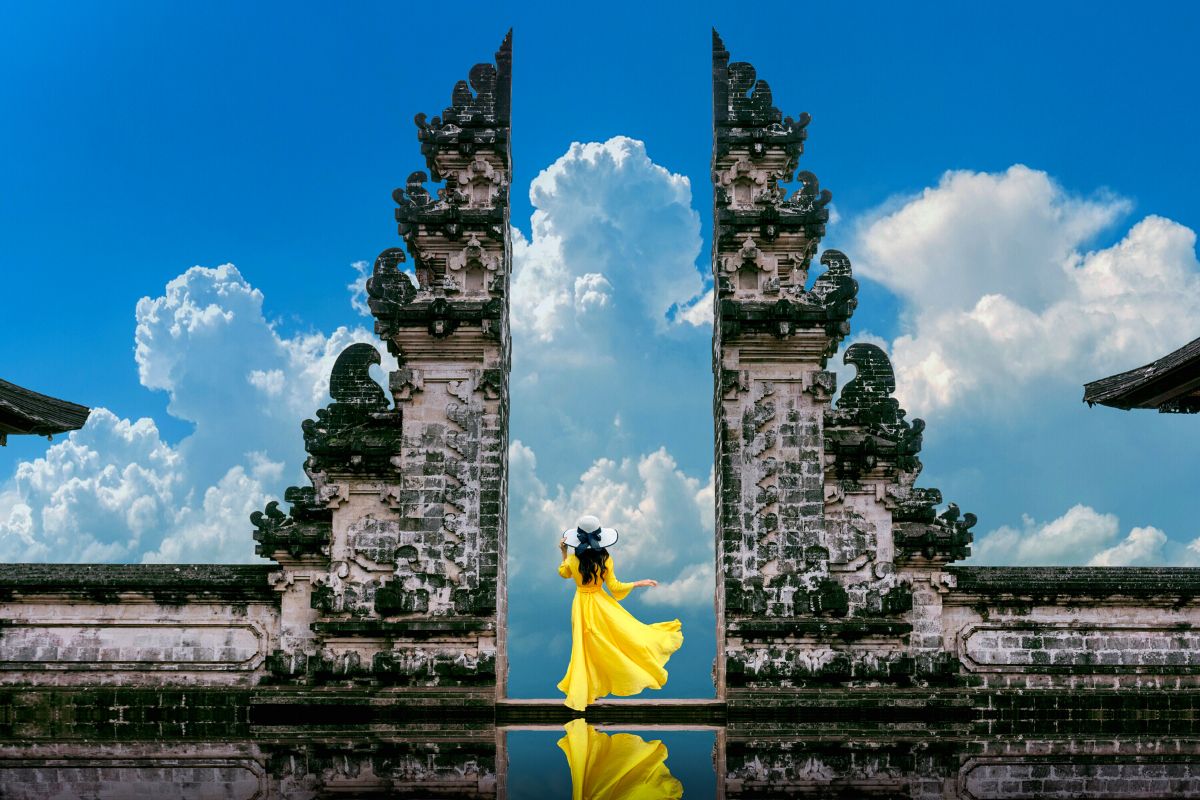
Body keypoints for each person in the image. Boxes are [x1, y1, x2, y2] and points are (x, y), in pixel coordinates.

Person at [556, 514, 683, 711]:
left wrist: (564, 553)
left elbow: (564, 573)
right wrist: (639, 583)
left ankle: (586, 693)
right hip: (600, 605)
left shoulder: (573, 559)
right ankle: (595, 690)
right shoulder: (605, 559)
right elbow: (615, 587)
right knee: (613, 642)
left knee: (584, 649)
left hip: (580, 605)